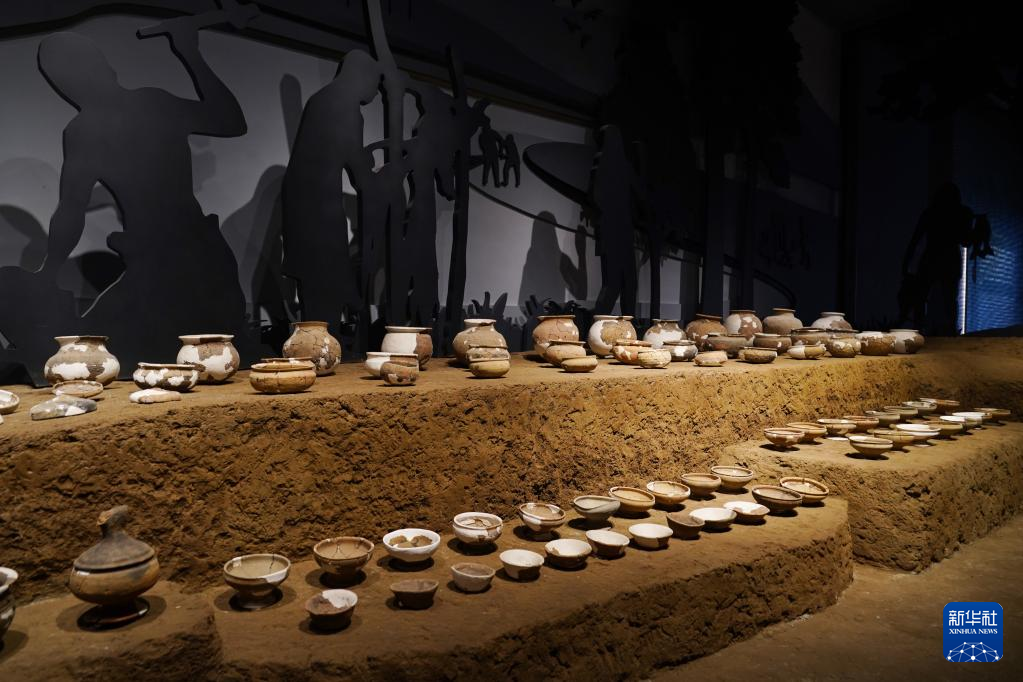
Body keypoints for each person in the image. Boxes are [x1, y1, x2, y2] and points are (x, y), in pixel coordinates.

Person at [901, 182, 975, 335]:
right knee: (945, 299)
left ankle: (922, 329)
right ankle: (945, 330)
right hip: (945, 258)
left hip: (934, 257)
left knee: (925, 297)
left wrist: (906, 262)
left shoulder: (932, 213)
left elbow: (915, 240)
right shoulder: (960, 213)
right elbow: (966, 241)